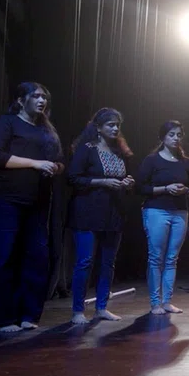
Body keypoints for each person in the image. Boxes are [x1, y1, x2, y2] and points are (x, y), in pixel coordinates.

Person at [0, 82, 64, 332]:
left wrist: (54, 167)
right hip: (6, 199)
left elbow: (59, 161)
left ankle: (29, 314)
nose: (42, 101)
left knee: (36, 258)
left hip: (38, 202)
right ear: (21, 100)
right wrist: (34, 163)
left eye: (45, 97)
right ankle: (2, 318)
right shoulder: (7, 123)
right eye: (36, 96)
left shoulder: (47, 130)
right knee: (4, 257)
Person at [66, 108, 135, 325]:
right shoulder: (87, 149)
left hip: (113, 213)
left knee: (108, 262)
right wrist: (102, 182)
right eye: (110, 125)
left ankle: (101, 308)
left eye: (117, 125)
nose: (115, 128)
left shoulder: (119, 151)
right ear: (98, 127)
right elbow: (73, 178)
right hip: (88, 212)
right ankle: (78, 310)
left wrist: (127, 183)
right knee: (85, 261)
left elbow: (123, 178)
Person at [137, 120, 189, 315]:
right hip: (157, 210)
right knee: (156, 257)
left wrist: (185, 190)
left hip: (180, 212)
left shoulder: (187, 163)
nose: (176, 138)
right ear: (163, 137)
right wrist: (165, 188)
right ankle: (155, 303)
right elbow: (140, 187)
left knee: (172, 258)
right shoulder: (152, 160)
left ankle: (167, 301)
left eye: (179, 135)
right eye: (171, 134)